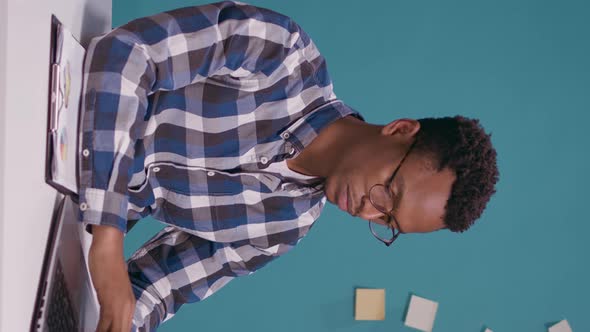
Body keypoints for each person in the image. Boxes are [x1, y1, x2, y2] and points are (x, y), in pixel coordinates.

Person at [78, 1, 500, 331]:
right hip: (47, 109)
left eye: (386, 221)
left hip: (57, 216)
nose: (367, 210)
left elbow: (161, 285)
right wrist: (109, 235)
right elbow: (127, 53)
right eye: (389, 193)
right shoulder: (282, 55)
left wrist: (123, 322)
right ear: (400, 130)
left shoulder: (284, 227)